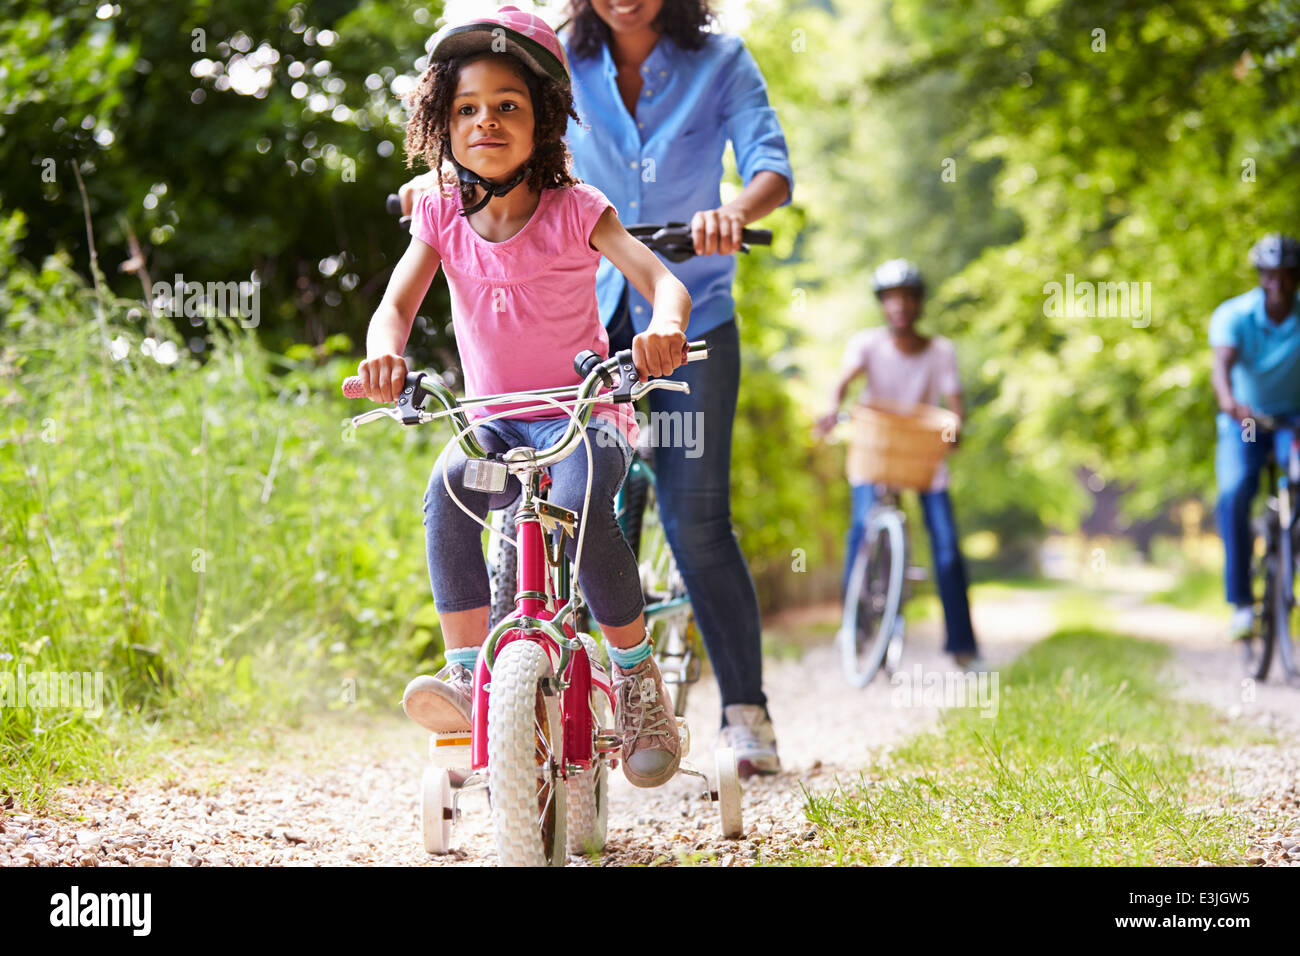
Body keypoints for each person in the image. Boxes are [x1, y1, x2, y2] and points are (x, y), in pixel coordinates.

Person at [402, 0, 794, 777]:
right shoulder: (546, 55)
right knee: (524, 503)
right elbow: (477, 134)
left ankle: (739, 710)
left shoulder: (720, 61)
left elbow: (769, 165)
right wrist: (434, 186)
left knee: (695, 518)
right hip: (575, 312)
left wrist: (731, 211)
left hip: (685, 316)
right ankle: (512, 693)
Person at [360, 6, 694, 788]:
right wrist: (384, 355)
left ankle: (638, 681)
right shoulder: (440, 212)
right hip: (492, 421)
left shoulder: (577, 207)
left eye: (508, 105)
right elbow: (396, 308)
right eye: (467, 108)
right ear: (441, 122)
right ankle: (469, 669)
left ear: (543, 119)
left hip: (583, 411)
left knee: (582, 514)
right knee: (447, 495)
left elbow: (661, 282)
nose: (485, 121)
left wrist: (664, 329)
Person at [815, 259, 983, 669]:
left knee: (946, 549)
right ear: (883, 305)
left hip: (922, 456)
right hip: (877, 452)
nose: (900, 307)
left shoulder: (941, 351)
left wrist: (955, 428)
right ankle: (853, 629)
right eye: (892, 300)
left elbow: (953, 402)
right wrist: (832, 408)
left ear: (919, 304)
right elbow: (843, 382)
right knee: (860, 531)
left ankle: (962, 646)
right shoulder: (867, 345)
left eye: (908, 299)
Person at [1210, 233, 1300, 640]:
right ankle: (1242, 604)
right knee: (1236, 491)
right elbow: (1221, 367)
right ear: (1260, 276)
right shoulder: (1234, 315)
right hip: (1245, 418)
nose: (1277, 284)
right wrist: (1230, 403)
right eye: (1270, 275)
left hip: (1294, 420)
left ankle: (1288, 549)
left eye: (1286, 275)